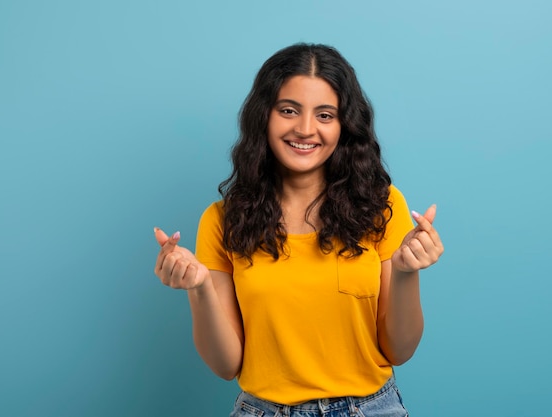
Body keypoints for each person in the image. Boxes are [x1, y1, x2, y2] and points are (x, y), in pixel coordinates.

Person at [153, 43, 444, 417]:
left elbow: (399, 351)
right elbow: (226, 366)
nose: (305, 129)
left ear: (344, 125)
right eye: (289, 110)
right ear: (264, 116)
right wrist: (199, 289)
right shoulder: (222, 220)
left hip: (371, 409)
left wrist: (407, 272)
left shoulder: (381, 206)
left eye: (325, 115)